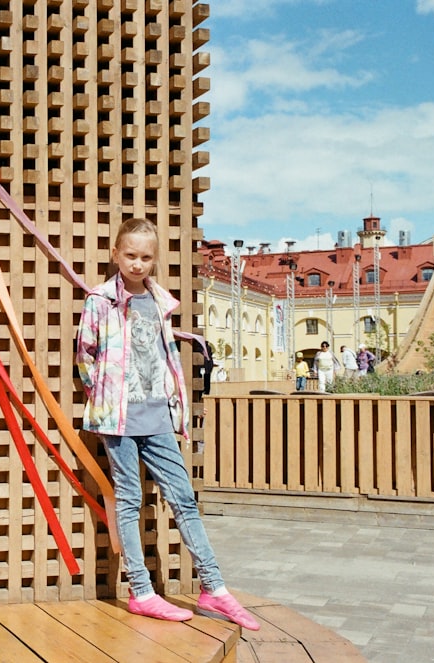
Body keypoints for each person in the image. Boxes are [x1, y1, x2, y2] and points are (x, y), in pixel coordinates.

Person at [75, 217, 260, 630]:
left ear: (154, 260)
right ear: (115, 255)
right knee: (128, 499)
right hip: (119, 417)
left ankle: (213, 586)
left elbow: (163, 357)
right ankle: (141, 591)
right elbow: (85, 355)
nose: (137, 264)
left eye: (145, 257)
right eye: (130, 255)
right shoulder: (100, 301)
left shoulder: (160, 302)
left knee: (183, 498)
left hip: (158, 415)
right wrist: (103, 395)